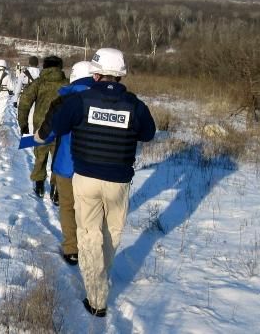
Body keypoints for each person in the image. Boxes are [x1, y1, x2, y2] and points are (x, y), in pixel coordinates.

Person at [35, 48, 155, 317]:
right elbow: (148, 134)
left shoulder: (80, 101)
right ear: (120, 74)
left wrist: (42, 138)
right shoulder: (134, 104)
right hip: (119, 183)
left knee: (89, 235)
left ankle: (97, 298)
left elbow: (54, 128)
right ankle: (103, 274)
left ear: (96, 73)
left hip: (86, 178)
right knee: (111, 233)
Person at [40, 60, 94, 266]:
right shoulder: (107, 98)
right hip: (97, 166)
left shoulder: (64, 101)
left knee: (68, 206)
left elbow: (48, 132)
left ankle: (72, 249)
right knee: (91, 209)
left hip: (67, 163)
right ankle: (91, 248)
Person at [17, 55, 67, 199]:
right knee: (58, 158)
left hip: (41, 128)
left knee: (40, 157)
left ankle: (39, 184)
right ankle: (56, 188)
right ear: (60, 67)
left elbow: (24, 103)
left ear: (45, 67)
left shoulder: (39, 83)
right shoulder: (67, 84)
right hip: (61, 128)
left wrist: (23, 124)